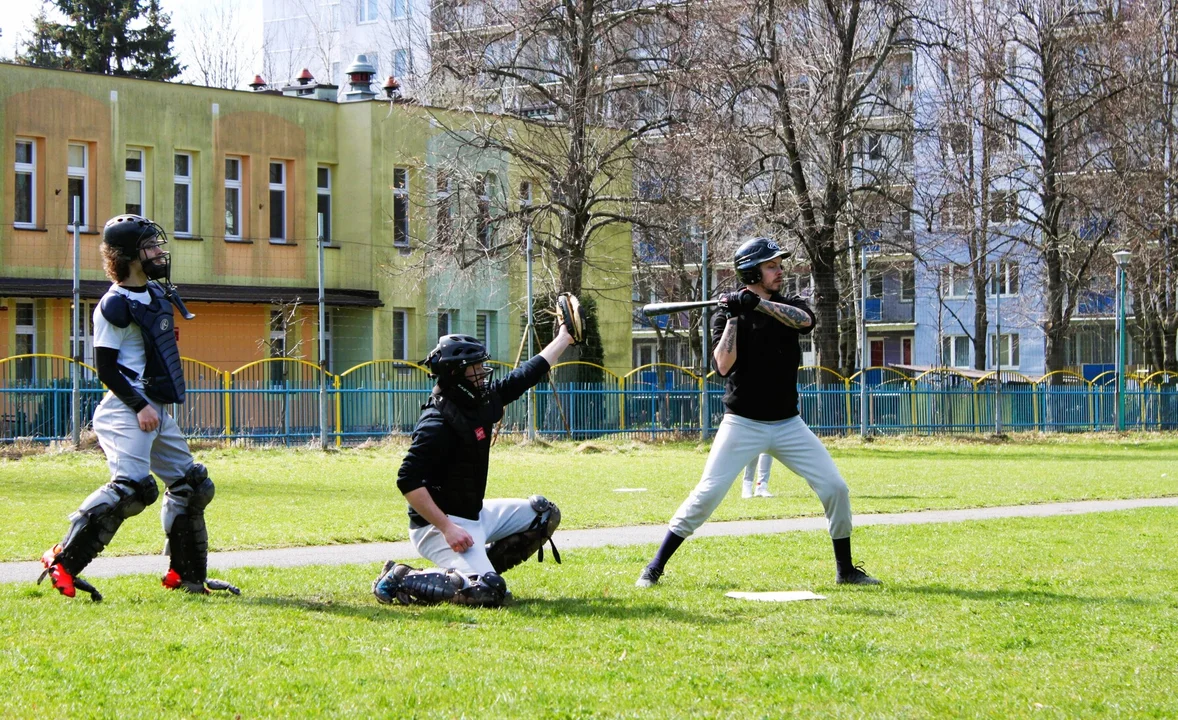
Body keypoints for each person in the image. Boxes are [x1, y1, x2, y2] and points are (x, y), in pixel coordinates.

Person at [637, 237, 880, 588]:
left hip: (788, 424)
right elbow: (722, 366)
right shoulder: (727, 314)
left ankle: (846, 570)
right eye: (771, 266)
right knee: (706, 495)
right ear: (752, 271)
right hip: (742, 424)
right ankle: (654, 567)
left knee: (835, 488)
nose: (780, 270)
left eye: (779, 265)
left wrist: (760, 305)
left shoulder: (788, 304)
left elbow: (804, 322)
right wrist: (737, 316)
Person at [38, 215, 239, 601]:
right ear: (130, 255)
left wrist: (154, 407)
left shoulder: (156, 295)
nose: (160, 252)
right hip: (126, 409)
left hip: (156, 410)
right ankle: (62, 560)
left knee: (192, 486)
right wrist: (139, 405)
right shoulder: (113, 305)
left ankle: (188, 576)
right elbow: (106, 368)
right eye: (151, 246)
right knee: (132, 488)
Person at [373, 315, 578, 608]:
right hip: (436, 528)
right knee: (489, 593)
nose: (483, 372)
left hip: (474, 516)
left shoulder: (474, 401)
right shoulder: (436, 421)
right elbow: (407, 480)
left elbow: (524, 376)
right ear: (456, 373)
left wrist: (564, 338)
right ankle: (400, 576)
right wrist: (446, 528)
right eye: (476, 367)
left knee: (544, 513)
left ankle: (474, 574)